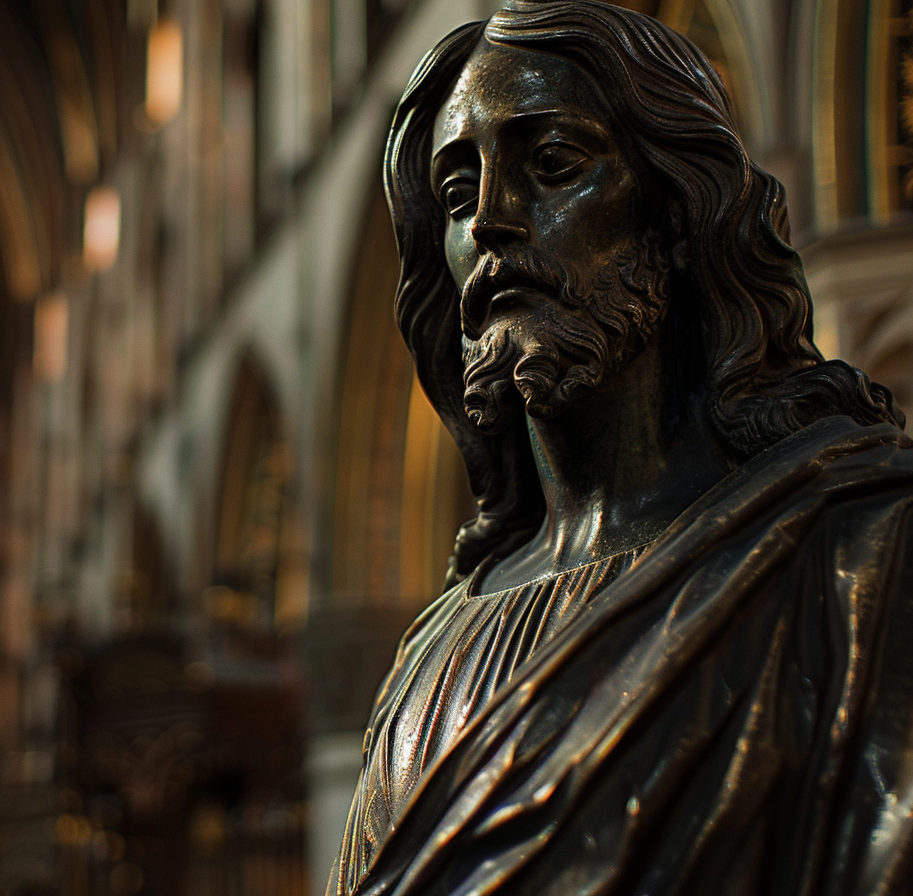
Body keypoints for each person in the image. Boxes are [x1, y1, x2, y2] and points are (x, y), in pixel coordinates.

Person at [329, 2, 913, 894]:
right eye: (456, 194)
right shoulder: (427, 659)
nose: (489, 220)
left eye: (553, 163)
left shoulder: (853, 559)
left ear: (678, 212)